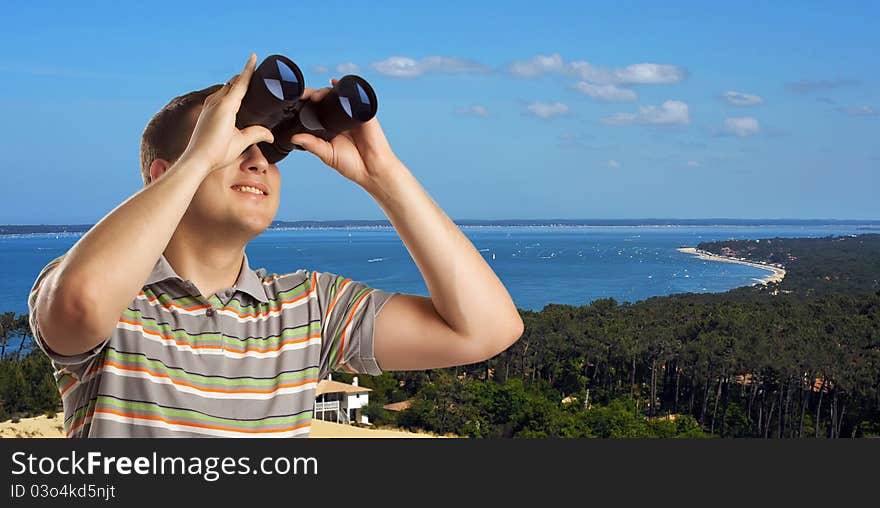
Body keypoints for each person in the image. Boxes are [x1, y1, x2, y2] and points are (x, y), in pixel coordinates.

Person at [27, 53, 523, 437]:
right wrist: (198, 159)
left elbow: (486, 330)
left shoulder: (308, 310)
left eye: (271, 151)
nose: (259, 162)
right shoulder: (111, 294)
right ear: (167, 172)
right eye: (234, 146)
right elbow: (80, 300)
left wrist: (383, 175)